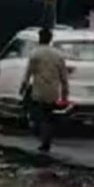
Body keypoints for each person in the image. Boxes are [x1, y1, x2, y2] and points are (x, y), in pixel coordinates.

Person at [20, 25, 70, 156]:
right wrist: (65, 94)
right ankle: (46, 139)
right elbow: (64, 77)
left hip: (38, 90)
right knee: (48, 116)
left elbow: (28, 74)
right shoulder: (58, 55)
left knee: (41, 116)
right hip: (53, 91)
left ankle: (44, 139)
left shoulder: (35, 53)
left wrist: (23, 87)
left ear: (39, 38)